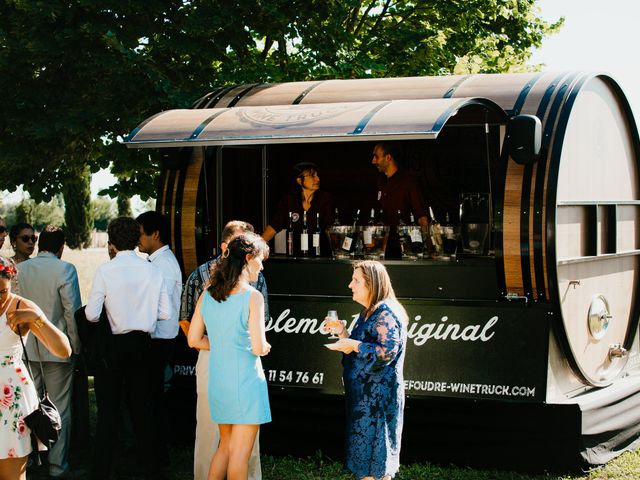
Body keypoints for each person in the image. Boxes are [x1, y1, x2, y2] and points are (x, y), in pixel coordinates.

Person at [85, 217, 171, 480]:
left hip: (113, 346)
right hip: (143, 345)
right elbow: (165, 314)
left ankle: (101, 470)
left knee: (109, 411)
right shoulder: (153, 271)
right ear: (136, 239)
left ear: (111, 241)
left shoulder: (105, 271)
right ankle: (151, 469)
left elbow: (91, 315)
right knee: (142, 409)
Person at [181, 220, 267, 480]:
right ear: (248, 258)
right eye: (260, 260)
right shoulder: (253, 296)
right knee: (240, 456)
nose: (262, 266)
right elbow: (259, 346)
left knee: (223, 448)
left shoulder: (208, 293)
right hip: (245, 381)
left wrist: (219, 342)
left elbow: (193, 339)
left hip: (218, 379)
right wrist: (265, 346)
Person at [323, 260, 408, 480]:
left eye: (356, 280)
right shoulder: (368, 312)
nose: (350, 285)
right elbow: (359, 350)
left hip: (379, 401)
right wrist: (343, 334)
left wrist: (354, 345)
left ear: (372, 284)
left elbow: (387, 352)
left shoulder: (385, 313)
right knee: (366, 466)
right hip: (365, 400)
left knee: (376, 465)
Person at [17, 226, 82, 479]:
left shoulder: (21, 270)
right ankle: (57, 465)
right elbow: (71, 312)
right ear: (61, 247)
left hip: (26, 348)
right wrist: (75, 347)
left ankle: (32, 460)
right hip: (57, 350)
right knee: (60, 407)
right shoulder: (65, 269)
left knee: (28, 406)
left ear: (40, 243)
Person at [0, 255, 72, 480]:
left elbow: (63, 350)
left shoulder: (21, 306)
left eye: (2, 291)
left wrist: (37, 317)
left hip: (10, 402)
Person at [135, 211, 182, 470]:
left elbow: (157, 308)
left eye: (141, 233)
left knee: (152, 400)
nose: (138, 239)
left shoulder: (161, 266)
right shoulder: (159, 261)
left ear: (155, 234)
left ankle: (155, 459)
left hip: (159, 339)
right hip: (161, 338)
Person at [262, 162, 334, 254]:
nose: (317, 179)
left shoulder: (325, 198)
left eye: (317, 175)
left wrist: (335, 252)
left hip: (321, 255)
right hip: (295, 256)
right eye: (312, 176)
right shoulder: (289, 201)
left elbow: (330, 228)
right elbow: (274, 226)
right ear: (299, 180)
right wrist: (256, 246)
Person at [8, 223, 37, 296]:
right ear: (14, 241)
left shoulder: (37, 265)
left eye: (33, 238)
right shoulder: (6, 266)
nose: (30, 242)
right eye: (25, 238)